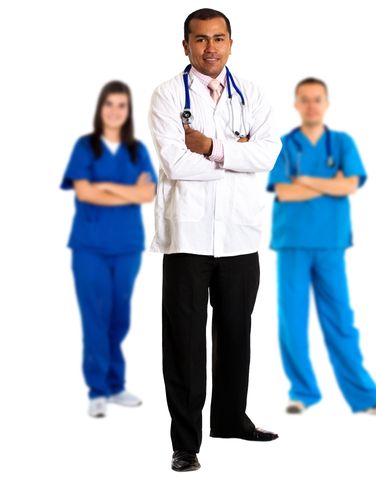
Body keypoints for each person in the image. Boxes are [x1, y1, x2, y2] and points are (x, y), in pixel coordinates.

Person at [148, 8, 282, 472]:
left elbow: (268, 154)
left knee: (236, 333)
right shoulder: (168, 96)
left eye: (218, 38)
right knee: (184, 341)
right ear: (185, 44)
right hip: (188, 235)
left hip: (240, 236)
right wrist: (235, 158)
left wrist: (212, 147)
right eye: (200, 39)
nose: (210, 47)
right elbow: (175, 164)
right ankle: (185, 443)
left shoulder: (254, 95)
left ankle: (230, 419)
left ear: (231, 43)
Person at [267, 78, 376, 417]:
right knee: (292, 322)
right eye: (305, 100)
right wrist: (331, 184)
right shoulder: (284, 144)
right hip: (293, 244)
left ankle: (367, 398)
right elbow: (284, 192)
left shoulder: (342, 142)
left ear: (326, 103)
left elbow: (350, 185)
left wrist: (308, 181)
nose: (311, 105)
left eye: (317, 99)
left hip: (330, 244)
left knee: (341, 321)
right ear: (296, 104)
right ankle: (302, 392)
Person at [61, 81, 157, 418]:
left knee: (120, 316)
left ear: (128, 112)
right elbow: (85, 193)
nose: (115, 111)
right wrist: (126, 190)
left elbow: (148, 195)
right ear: (100, 108)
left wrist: (105, 185)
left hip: (127, 246)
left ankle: (116, 384)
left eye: (121, 105)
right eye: (109, 104)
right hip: (89, 247)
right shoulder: (85, 147)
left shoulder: (137, 150)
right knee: (95, 317)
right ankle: (99, 389)